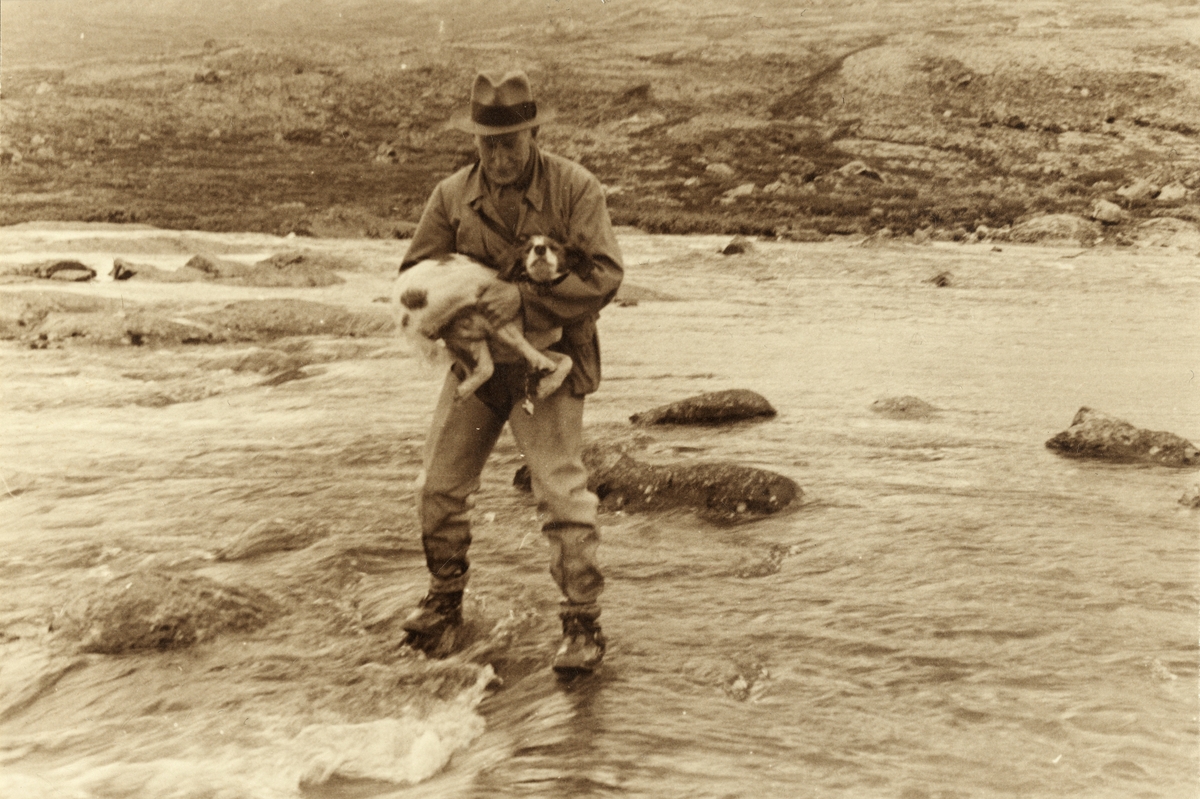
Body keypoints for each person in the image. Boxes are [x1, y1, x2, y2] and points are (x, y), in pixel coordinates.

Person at [398, 70, 624, 674]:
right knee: (439, 488)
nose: (498, 157)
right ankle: (444, 602)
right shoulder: (450, 196)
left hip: (544, 366)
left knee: (560, 495)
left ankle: (582, 625)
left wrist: (524, 303)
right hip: (475, 366)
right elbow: (416, 273)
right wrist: (450, 325)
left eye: (510, 144)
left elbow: (604, 276)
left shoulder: (577, 189)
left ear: (534, 134)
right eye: (487, 144)